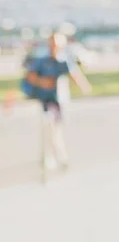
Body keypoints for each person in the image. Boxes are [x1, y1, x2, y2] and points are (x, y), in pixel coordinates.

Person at [25, 32, 92, 170]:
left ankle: (57, 157)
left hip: (57, 102)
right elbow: (31, 77)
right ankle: (54, 157)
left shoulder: (64, 61)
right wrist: (43, 82)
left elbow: (75, 75)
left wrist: (84, 86)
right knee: (49, 128)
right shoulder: (42, 60)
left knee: (54, 129)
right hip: (45, 100)